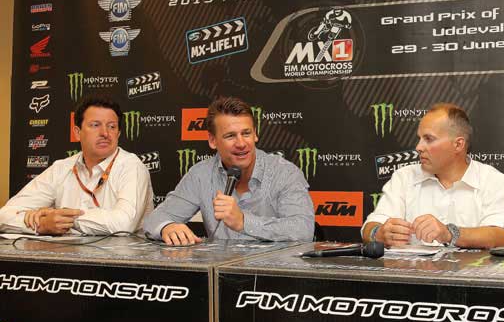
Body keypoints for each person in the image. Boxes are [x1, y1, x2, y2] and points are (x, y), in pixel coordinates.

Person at [144, 96, 314, 245]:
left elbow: (303, 230)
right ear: (212, 140)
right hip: (221, 270)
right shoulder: (201, 174)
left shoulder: (285, 173)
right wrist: (167, 226)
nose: (241, 143)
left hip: (273, 270)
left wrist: (243, 222)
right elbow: (154, 219)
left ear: (255, 134)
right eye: (230, 136)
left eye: (246, 133)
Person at [361, 103, 504, 249]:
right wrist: (378, 233)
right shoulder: (404, 177)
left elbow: (501, 236)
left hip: (470, 270)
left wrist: (449, 233)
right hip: (410, 270)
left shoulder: (493, 180)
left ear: (458, 144)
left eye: (429, 139)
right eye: (419, 138)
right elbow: (370, 227)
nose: (418, 147)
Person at [0, 98, 153, 235]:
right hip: (66, 255)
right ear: (77, 132)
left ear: (118, 134)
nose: (105, 133)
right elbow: (4, 215)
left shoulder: (131, 166)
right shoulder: (61, 168)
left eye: (112, 127)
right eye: (95, 125)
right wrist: (41, 225)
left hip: (121, 257)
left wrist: (61, 218)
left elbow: (124, 223)